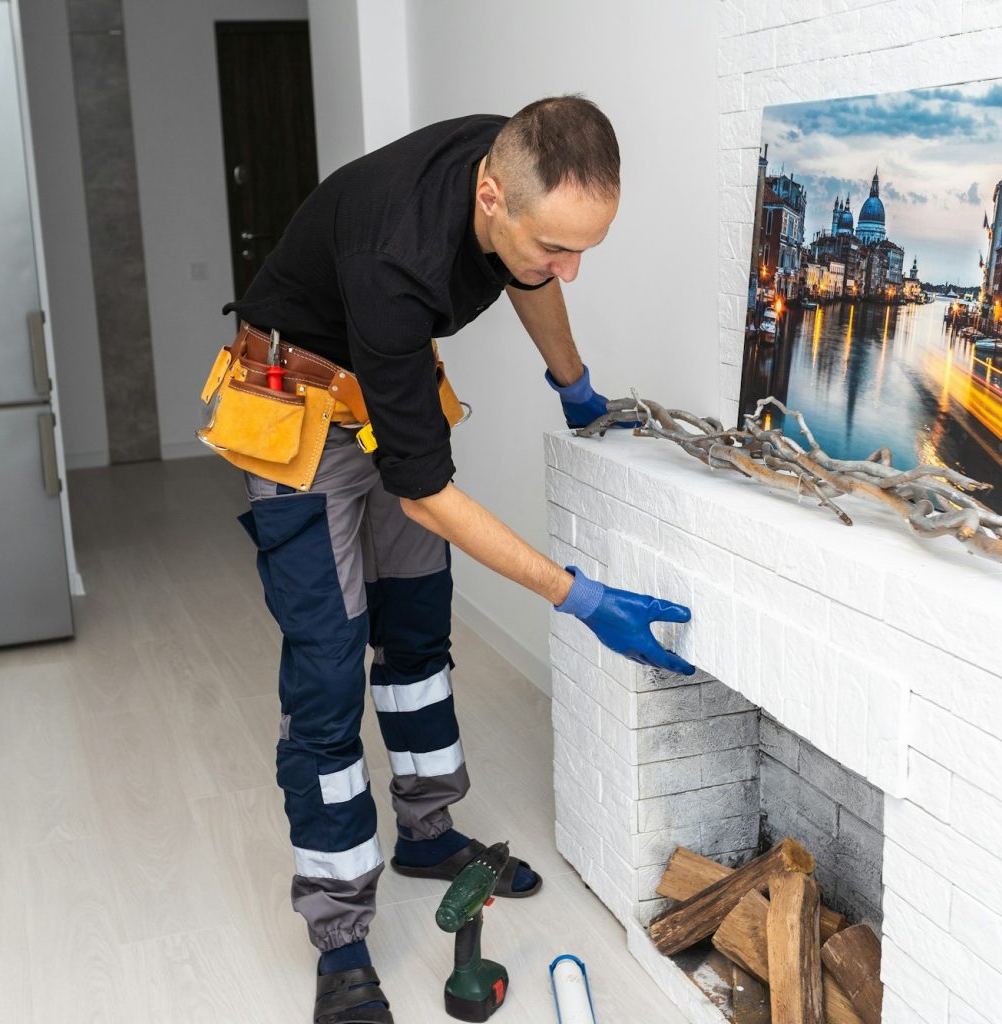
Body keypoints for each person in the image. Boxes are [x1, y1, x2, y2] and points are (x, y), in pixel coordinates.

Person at [205, 95, 694, 1024]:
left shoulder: (511, 159)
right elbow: (424, 490)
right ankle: (340, 937)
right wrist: (579, 596)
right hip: (295, 411)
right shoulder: (397, 261)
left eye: (586, 246)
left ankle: (427, 835)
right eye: (557, 247)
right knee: (325, 673)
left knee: (419, 633)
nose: (571, 270)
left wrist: (576, 389)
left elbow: (532, 280)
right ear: (491, 198)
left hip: (387, 393)